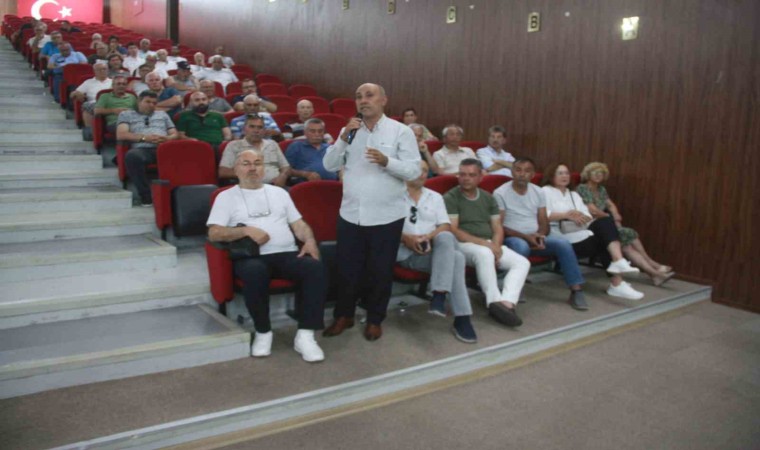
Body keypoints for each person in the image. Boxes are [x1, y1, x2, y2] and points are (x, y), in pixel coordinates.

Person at [322, 83, 420, 341]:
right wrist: (342, 139)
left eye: (369, 95)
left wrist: (387, 161)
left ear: (383, 100)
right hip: (351, 214)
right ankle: (344, 315)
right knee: (347, 269)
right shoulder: (349, 131)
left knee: (380, 271)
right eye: (358, 97)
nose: (363, 100)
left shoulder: (401, 131)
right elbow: (329, 164)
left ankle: (375, 319)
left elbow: (414, 171)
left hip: (387, 216)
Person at [207, 150, 327, 362]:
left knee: (315, 268)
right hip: (251, 257)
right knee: (255, 271)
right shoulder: (225, 197)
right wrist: (245, 231)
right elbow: (214, 233)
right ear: (236, 169)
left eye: (257, 163)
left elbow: (298, 224)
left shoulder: (279, 193)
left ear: (264, 168)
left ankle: (305, 335)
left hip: (286, 253)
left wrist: (309, 241)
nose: (252, 168)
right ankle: (263, 332)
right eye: (246, 163)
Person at [398, 160, 478, 343]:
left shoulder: (435, 197)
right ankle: (460, 316)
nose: (421, 174)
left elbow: (444, 225)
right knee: (457, 258)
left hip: (434, 249)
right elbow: (383, 227)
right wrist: (407, 238)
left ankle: (440, 294)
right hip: (406, 252)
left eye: (425, 171)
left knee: (446, 236)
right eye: (417, 169)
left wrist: (428, 237)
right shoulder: (393, 195)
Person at [445, 159, 530, 327]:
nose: (466, 178)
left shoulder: (488, 198)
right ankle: (493, 302)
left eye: (471, 175)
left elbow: (497, 227)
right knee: (484, 254)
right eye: (462, 174)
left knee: (522, 262)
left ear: (480, 177)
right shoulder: (450, 197)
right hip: (462, 244)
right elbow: (453, 230)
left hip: (489, 243)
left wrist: (496, 247)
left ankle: (507, 304)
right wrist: (487, 246)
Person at [542, 163, 646, 299]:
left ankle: (618, 266)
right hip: (560, 236)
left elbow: (588, 215)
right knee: (605, 237)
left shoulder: (573, 194)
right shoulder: (544, 191)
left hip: (579, 230)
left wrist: (580, 216)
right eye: (560, 173)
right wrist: (566, 215)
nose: (564, 176)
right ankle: (617, 281)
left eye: (566, 173)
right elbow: (541, 215)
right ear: (551, 176)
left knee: (605, 222)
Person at [577, 162, 675, 284]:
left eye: (601, 173)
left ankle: (655, 273)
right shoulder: (582, 188)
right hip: (593, 226)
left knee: (627, 240)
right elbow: (593, 210)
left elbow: (610, 205)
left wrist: (616, 216)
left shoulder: (601, 189)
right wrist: (610, 218)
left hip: (605, 223)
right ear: (588, 174)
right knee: (626, 241)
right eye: (595, 172)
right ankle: (654, 269)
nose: (598, 175)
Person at [116, 91, 178, 206]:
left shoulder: (162, 114)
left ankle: (176, 195)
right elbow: (121, 134)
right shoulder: (126, 114)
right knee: (132, 156)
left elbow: (174, 133)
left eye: (154, 103)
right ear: (139, 101)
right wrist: (145, 138)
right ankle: (146, 196)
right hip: (143, 149)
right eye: (148, 102)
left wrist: (167, 138)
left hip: (164, 147)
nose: (151, 105)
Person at [219, 114, 290, 187]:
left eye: (260, 127)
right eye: (252, 127)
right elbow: (224, 172)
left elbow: (286, 167)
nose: (256, 131)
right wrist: (249, 174)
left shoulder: (273, 144)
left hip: (275, 186)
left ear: (264, 130)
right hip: (247, 186)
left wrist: (283, 176)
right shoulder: (234, 146)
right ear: (244, 129)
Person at [285, 118, 339, 183]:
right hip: (307, 184)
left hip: (333, 184)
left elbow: (340, 167)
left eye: (320, 131)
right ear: (305, 132)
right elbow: (285, 170)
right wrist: (305, 174)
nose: (317, 134)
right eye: (313, 131)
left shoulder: (330, 147)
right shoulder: (296, 146)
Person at [70, 62, 112, 128]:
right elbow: (72, 94)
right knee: (86, 105)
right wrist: (77, 94)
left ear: (108, 70)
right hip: (94, 104)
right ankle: (89, 130)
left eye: (104, 69)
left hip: (111, 103)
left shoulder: (113, 82)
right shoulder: (88, 82)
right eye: (99, 69)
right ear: (94, 71)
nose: (102, 71)